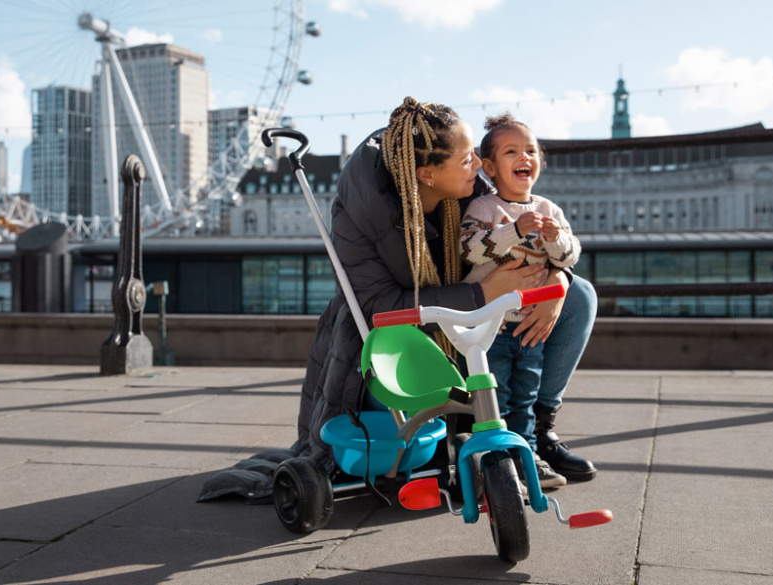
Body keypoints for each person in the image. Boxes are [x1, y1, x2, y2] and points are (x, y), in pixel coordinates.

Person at [197, 97, 595, 503]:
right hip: (388, 345)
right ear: (426, 174)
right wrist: (482, 293)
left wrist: (558, 278)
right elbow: (380, 308)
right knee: (399, 417)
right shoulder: (361, 213)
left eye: (476, 156)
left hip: (461, 324)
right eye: (466, 160)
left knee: (580, 295)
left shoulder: (468, 188)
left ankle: (538, 431)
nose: (478, 166)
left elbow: (519, 241)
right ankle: (475, 433)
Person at [461, 113, 588, 487]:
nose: (525, 157)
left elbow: (569, 256)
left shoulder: (550, 210)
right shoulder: (485, 208)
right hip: (490, 328)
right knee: (493, 398)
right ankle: (497, 463)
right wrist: (513, 230)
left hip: (530, 328)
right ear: (489, 167)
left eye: (531, 151)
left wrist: (554, 239)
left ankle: (527, 456)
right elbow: (471, 251)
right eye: (512, 151)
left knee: (525, 400)